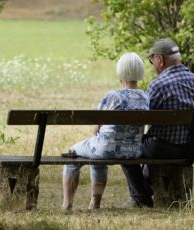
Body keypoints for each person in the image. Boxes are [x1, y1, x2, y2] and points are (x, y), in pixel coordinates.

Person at [119, 38, 194, 208]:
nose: (152, 65)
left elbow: (141, 117)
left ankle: (140, 197)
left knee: (125, 148)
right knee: (149, 144)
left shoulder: (158, 85)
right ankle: (145, 191)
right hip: (189, 148)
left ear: (160, 59)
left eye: (152, 61)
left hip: (161, 148)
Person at [62, 52, 149, 210]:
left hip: (105, 149)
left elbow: (96, 128)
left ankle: (67, 205)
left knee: (72, 153)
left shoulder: (113, 96)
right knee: (96, 155)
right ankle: (94, 204)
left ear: (120, 72)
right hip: (133, 152)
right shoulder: (145, 97)